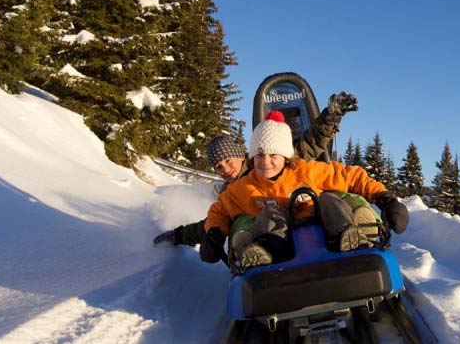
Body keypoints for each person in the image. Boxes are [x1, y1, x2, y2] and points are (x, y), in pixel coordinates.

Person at [199, 110, 409, 269]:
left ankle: (354, 233)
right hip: (282, 243)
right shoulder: (244, 187)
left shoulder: (306, 171)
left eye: (273, 155)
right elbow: (220, 209)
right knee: (267, 214)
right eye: (260, 156)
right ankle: (259, 253)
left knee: (329, 199)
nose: (266, 162)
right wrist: (214, 234)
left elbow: (350, 176)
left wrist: (386, 199)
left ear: (285, 156)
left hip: (325, 231)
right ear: (252, 158)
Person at [153, 91, 359, 246]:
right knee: (241, 223)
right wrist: (179, 235)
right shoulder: (232, 192)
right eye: (218, 167)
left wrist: (331, 116)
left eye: (228, 161)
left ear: (241, 155)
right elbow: (214, 221)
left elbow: (312, 142)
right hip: (271, 243)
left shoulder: (274, 160)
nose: (224, 169)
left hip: (309, 229)